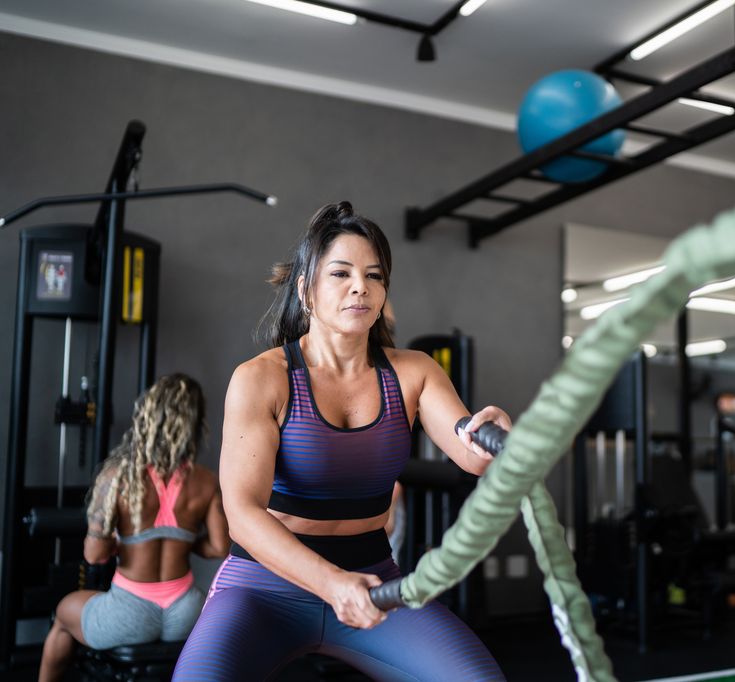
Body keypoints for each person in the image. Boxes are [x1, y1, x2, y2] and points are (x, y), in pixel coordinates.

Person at [173, 202, 509, 680]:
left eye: (374, 276)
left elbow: (472, 455)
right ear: (305, 289)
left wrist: (496, 435)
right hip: (264, 588)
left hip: (374, 583)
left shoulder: (414, 372)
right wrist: (332, 584)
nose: (360, 287)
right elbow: (242, 514)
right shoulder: (262, 378)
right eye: (341, 273)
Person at [39, 374, 229, 682]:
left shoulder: (117, 477)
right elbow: (220, 547)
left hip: (129, 611)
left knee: (63, 614)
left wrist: (125, 543)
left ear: (148, 416)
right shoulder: (206, 481)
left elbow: (94, 555)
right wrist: (183, 541)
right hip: (186, 611)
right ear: (195, 424)